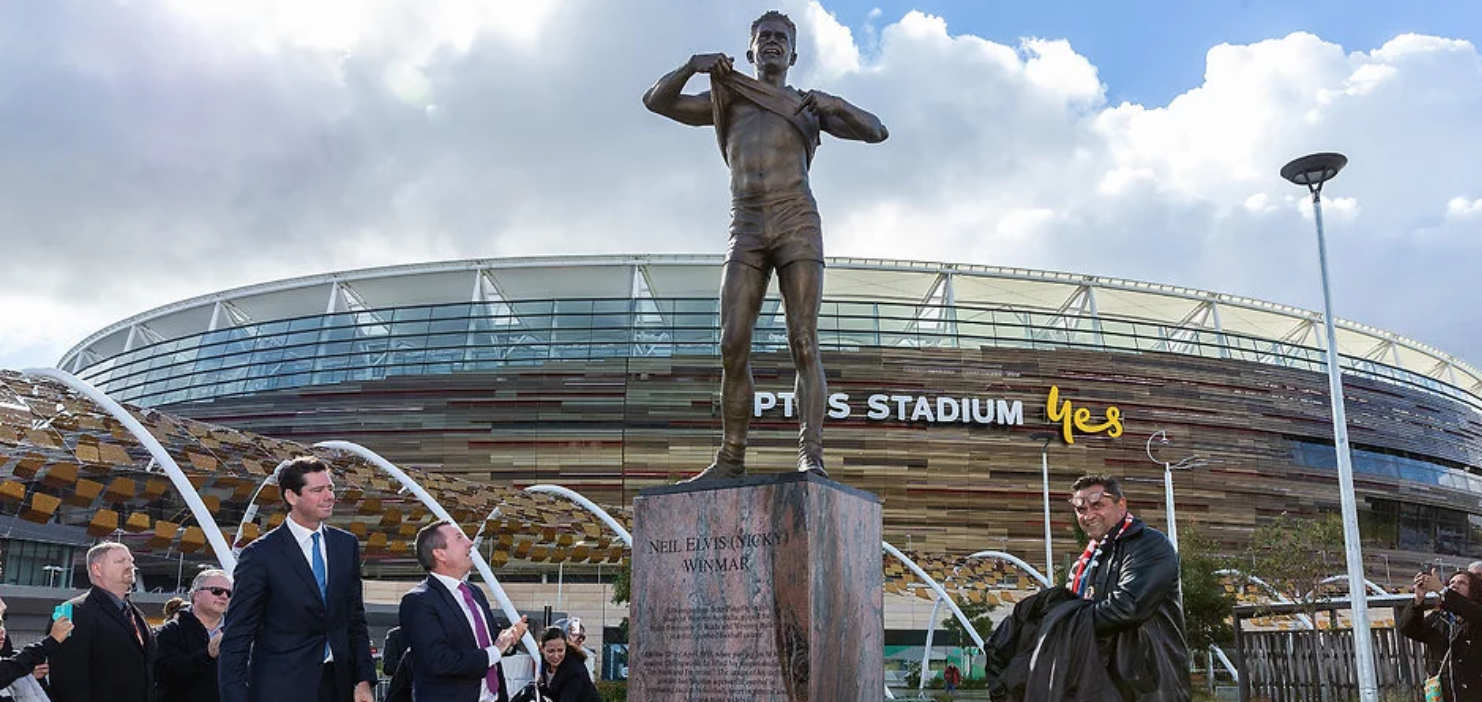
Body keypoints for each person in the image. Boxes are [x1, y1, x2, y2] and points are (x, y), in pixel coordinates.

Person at [643, 10, 888, 481]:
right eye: (764, 37)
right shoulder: (727, 97)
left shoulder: (807, 105)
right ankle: (731, 458)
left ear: (793, 55)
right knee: (732, 343)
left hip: (797, 220)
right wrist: (692, 65)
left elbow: (877, 131)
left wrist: (837, 105)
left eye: (781, 38)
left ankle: (810, 455)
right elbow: (656, 101)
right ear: (751, 49)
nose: (772, 43)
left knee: (803, 341)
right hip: (747, 224)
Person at [219, 456, 376, 702]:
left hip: (339, 687)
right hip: (281, 689)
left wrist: (363, 680)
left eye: (330, 488)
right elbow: (237, 636)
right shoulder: (260, 555)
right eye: (317, 490)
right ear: (292, 497)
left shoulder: (346, 546)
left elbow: (355, 619)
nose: (329, 496)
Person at [1065, 474, 1189, 701]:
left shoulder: (1149, 544)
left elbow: (1129, 606)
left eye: (1097, 505)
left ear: (1121, 505)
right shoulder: (1085, 561)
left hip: (1146, 688)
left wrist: (1063, 623)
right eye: (1080, 509)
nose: (1088, 515)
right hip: (1098, 685)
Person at [399, 521, 528, 702]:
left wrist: (510, 637)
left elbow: (490, 639)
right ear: (440, 553)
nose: (470, 543)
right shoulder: (418, 601)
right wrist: (495, 651)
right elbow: (439, 660)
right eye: (459, 538)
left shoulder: (475, 592)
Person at [49, 542, 155, 702]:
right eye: (120, 561)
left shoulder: (136, 614)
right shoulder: (72, 611)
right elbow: (67, 681)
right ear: (96, 569)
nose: (130, 565)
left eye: (131, 560)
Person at [1399, 569, 1482, 701]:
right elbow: (1408, 629)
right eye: (1452, 582)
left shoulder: (1477, 615)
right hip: (1444, 694)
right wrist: (1418, 599)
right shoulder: (1438, 618)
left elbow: (1470, 610)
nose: (1454, 585)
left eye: (1462, 583)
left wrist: (1442, 590)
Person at [154, 569, 232, 702]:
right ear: (196, 594)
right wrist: (207, 654)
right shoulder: (170, 630)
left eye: (229, 593)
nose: (224, 596)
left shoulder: (238, 631)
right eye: (216, 590)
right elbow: (163, 673)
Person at [536, 627, 599, 702]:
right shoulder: (544, 661)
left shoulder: (574, 671)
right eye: (551, 651)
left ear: (565, 648)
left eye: (560, 650)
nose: (556, 656)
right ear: (542, 649)